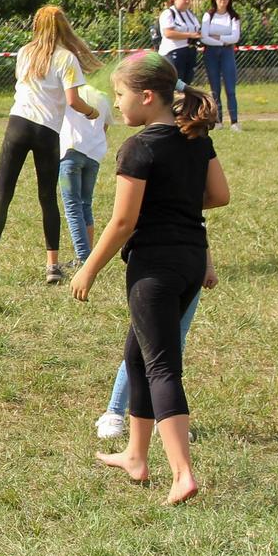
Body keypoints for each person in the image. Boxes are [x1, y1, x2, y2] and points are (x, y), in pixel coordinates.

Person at [71, 51, 229, 506]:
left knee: (161, 364)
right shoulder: (194, 139)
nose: (117, 104)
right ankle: (136, 456)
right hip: (191, 262)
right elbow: (218, 195)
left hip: (154, 270)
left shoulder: (139, 148)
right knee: (137, 356)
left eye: (120, 95)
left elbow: (122, 223)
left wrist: (88, 268)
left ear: (146, 97)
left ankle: (182, 473)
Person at [0, 6, 99, 285]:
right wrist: (91, 112)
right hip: (47, 131)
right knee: (47, 197)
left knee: (2, 193)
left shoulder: (25, 52)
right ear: (64, 27)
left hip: (18, 125)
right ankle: (52, 266)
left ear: (36, 26)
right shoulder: (67, 58)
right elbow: (73, 101)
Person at [95, 251, 213, 441]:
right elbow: (122, 225)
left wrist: (208, 265)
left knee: (175, 342)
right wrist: (90, 267)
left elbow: (198, 226)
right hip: (154, 266)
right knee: (145, 343)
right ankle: (114, 411)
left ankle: (165, 416)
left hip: (189, 266)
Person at [58, 69, 112, 267]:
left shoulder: (71, 93)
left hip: (71, 154)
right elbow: (104, 126)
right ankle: (88, 255)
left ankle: (83, 258)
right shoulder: (103, 97)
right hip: (94, 155)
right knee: (85, 204)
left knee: (72, 206)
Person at [199, 0, 242, 132]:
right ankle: (217, 121)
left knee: (230, 88)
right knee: (215, 89)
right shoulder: (208, 16)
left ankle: (234, 122)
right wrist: (223, 41)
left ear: (229, 0)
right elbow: (204, 37)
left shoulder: (233, 17)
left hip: (227, 53)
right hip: (211, 53)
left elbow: (235, 37)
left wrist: (219, 39)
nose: (223, 0)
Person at [158, 0, 203, 85]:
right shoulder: (168, 13)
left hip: (189, 51)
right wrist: (189, 35)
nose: (187, 1)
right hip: (173, 52)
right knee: (175, 84)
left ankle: (185, 100)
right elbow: (168, 33)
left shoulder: (190, 14)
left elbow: (197, 29)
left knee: (186, 85)